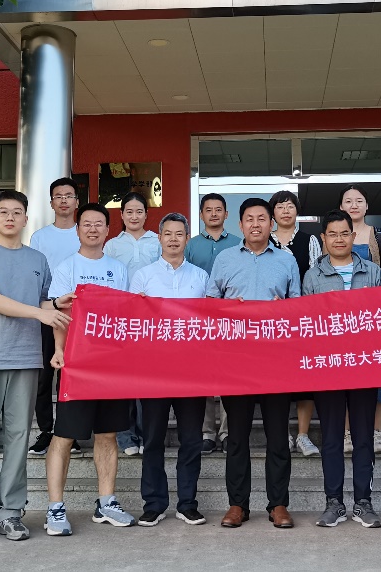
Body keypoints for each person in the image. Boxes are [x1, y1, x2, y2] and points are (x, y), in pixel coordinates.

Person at [0, 189, 70, 544]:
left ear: (25, 219)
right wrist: (41, 312)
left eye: (16, 212)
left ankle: (10, 512)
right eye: (3, 211)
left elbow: (43, 302)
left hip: (25, 358)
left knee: (19, 438)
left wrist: (56, 304)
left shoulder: (38, 259)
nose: (9, 217)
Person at [207, 198, 301, 530]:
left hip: (275, 361)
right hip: (236, 361)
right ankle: (238, 504)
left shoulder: (287, 260)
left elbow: (298, 308)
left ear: (271, 224)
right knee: (237, 437)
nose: (256, 224)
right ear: (241, 225)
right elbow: (210, 303)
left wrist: (283, 308)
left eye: (262, 218)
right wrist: (227, 308)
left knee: (278, 436)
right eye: (250, 219)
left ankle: (278, 504)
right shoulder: (225, 259)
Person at [45, 204, 136, 535]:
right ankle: (55, 509)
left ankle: (106, 502)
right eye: (87, 224)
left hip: (111, 365)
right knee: (64, 435)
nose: (93, 229)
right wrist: (58, 350)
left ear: (108, 231)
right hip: (77, 363)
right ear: (78, 229)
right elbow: (60, 316)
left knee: (108, 434)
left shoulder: (118, 269)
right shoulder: (66, 268)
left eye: (99, 224)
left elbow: (127, 314)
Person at [303, 209, 381, 529]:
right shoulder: (313, 277)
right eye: (332, 234)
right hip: (328, 369)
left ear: (353, 236)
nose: (339, 239)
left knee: (363, 437)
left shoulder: (373, 272)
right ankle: (334, 502)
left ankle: (363, 502)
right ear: (323, 238)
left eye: (344, 233)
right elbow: (306, 324)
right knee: (332, 438)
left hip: (365, 366)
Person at [130, 213, 210, 527]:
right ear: (159, 238)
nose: (173, 239)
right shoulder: (143, 277)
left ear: (187, 239)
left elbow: (210, 320)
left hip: (192, 370)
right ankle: (154, 503)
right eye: (168, 234)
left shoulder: (201, 277)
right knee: (153, 439)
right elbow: (134, 322)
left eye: (179, 234)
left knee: (191, 440)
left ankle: (187, 503)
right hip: (154, 370)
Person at [338, 186, 381, 456]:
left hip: (373, 318)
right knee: (346, 375)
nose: (354, 205)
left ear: (366, 206)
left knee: (378, 375)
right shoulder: (336, 234)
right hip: (341, 320)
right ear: (341, 207)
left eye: (359, 200)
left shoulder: (380, 236)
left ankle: (377, 432)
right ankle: (347, 433)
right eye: (348, 201)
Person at [27, 178, 83, 458]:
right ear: (51, 203)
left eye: (68, 195)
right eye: (58, 196)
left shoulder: (85, 232)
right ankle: (46, 430)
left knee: (69, 374)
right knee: (43, 374)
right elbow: (35, 275)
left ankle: (67, 431)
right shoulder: (40, 237)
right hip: (47, 310)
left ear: (76, 202)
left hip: (78, 314)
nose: (63, 200)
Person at [104, 191, 161, 456]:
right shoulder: (112, 245)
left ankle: (146, 433)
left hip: (151, 320)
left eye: (139, 212)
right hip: (121, 319)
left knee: (146, 379)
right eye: (129, 212)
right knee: (123, 379)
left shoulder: (157, 241)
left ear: (146, 215)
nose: (134, 216)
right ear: (122, 215)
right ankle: (126, 437)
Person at [185, 193, 240, 454]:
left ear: (226, 214)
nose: (214, 214)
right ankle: (207, 432)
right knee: (204, 376)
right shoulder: (191, 245)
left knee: (228, 375)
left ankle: (227, 432)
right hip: (199, 319)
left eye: (219, 209)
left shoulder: (239, 243)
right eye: (209, 210)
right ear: (201, 215)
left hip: (230, 318)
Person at [269, 190, 320, 459]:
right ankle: (283, 434)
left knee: (304, 378)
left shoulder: (309, 240)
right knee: (278, 378)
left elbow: (314, 275)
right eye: (280, 206)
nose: (285, 211)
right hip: (272, 322)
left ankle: (302, 434)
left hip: (302, 318)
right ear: (273, 212)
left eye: (290, 206)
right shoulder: (265, 240)